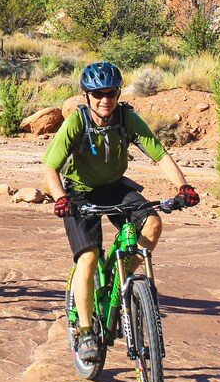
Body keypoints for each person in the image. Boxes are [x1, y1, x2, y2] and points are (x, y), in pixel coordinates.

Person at [42, 61, 200, 364]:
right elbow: (50, 167)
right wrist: (61, 197)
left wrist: (184, 187)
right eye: (98, 93)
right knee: (88, 257)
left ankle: (122, 274)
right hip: (79, 192)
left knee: (152, 224)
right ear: (86, 95)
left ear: (118, 93)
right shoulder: (76, 123)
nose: (105, 100)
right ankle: (86, 331)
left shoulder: (126, 118)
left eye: (111, 92)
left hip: (115, 186)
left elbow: (159, 154)